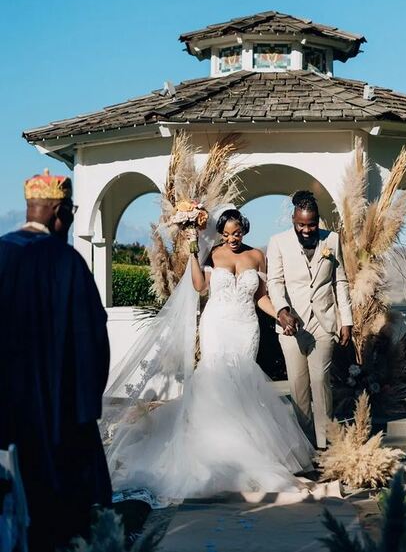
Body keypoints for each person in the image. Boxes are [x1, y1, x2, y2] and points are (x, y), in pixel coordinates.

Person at [106, 208, 314, 503]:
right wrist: (193, 250)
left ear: (245, 230)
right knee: (215, 379)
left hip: (246, 326)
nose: (232, 239)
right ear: (220, 234)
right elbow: (200, 287)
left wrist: (279, 315)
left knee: (243, 380)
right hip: (217, 324)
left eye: (237, 233)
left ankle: (246, 446)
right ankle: (215, 447)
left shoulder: (256, 256)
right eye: (226, 234)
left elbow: (261, 297)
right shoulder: (212, 254)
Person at [0, 170, 112, 551]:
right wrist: (86, 404)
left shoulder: (2, 252)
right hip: (59, 410)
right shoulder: (67, 263)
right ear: (59, 212)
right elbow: (93, 336)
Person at [267, 191, 353, 449]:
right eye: (301, 224)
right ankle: (306, 447)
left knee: (320, 381)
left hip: (324, 322)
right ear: (293, 219)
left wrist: (346, 319)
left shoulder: (333, 240)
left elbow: (341, 281)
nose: (306, 229)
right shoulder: (278, 242)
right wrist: (282, 311)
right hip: (292, 325)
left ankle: (327, 446)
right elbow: (274, 281)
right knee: (298, 386)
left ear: (318, 220)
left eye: (311, 224)